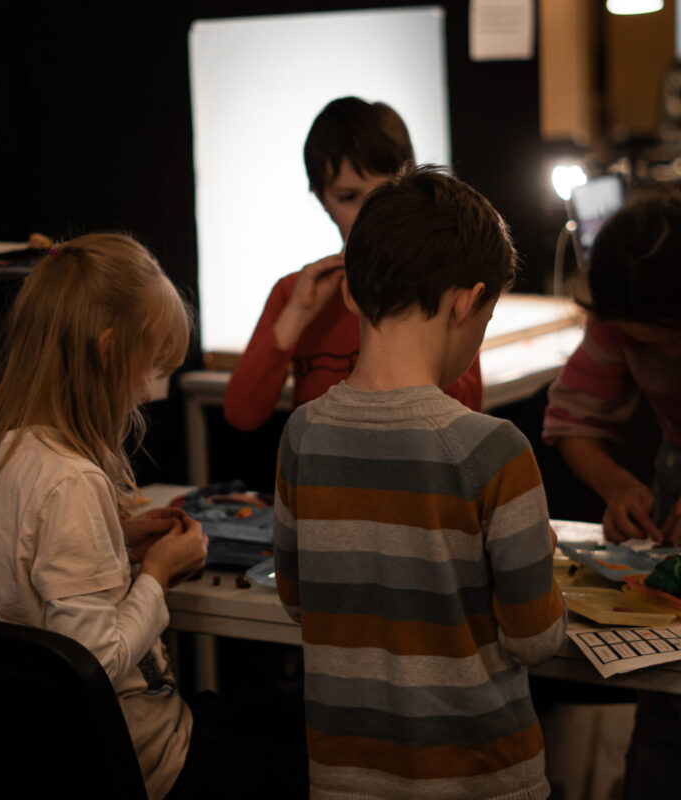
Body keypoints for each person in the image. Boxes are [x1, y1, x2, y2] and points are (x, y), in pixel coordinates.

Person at [0, 234, 306, 800]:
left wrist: (119, 540)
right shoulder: (70, 480)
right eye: (149, 368)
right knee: (313, 756)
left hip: (30, 750)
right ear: (109, 352)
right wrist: (157, 573)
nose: (147, 394)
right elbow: (96, 660)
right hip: (132, 760)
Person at [274, 165, 566, 800]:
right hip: (483, 779)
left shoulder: (302, 435)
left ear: (351, 293)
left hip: (343, 779)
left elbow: (296, 599)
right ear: (467, 301)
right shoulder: (493, 450)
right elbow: (536, 639)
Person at [224, 97, 483, 432]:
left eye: (386, 192)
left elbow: (465, 418)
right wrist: (296, 317)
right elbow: (242, 414)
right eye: (348, 197)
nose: (371, 212)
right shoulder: (296, 292)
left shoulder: (442, 284)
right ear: (320, 197)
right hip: (325, 480)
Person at [542, 187, 681, 797]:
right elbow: (572, 421)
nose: (669, 354)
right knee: (668, 695)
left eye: (676, 335)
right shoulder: (614, 319)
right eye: (645, 343)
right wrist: (617, 484)